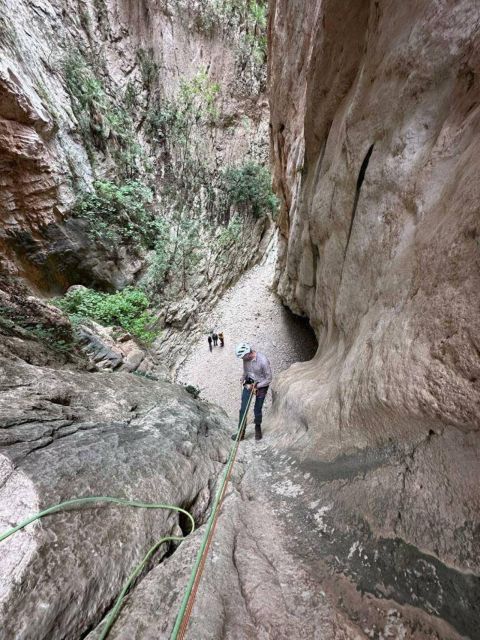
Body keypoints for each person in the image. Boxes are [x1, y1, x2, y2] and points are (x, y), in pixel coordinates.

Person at [232, 342, 272, 442]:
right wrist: (243, 377)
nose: (242, 359)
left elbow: (269, 378)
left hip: (261, 383)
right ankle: (241, 432)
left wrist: (257, 386)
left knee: (257, 409)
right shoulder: (245, 359)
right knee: (243, 409)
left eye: (243, 357)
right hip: (249, 381)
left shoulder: (263, 361)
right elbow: (246, 371)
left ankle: (257, 427)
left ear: (248, 353)